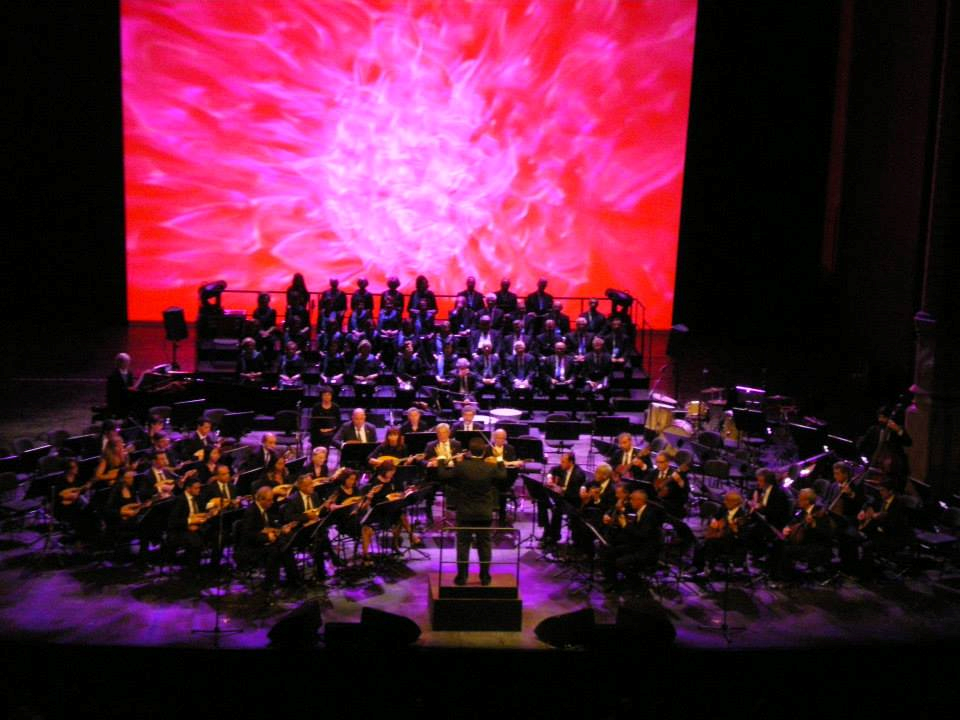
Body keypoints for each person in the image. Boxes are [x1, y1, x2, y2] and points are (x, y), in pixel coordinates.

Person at [439, 437, 507, 585]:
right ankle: (485, 577)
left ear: (469, 451)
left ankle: (462, 578)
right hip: (484, 512)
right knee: (484, 544)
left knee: (463, 544)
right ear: (484, 451)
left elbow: (443, 475)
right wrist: (499, 458)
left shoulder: (462, 466)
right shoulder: (490, 467)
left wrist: (442, 457)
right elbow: (503, 475)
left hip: (465, 512)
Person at [237, 486, 301, 590]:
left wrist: (282, 528)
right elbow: (249, 534)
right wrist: (266, 537)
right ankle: (270, 584)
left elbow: (271, 525)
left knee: (286, 547)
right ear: (261, 499)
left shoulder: (266, 509)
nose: (272, 502)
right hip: (252, 547)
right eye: (269, 500)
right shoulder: (251, 511)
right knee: (275, 551)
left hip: (263, 543)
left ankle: (293, 580)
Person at [600, 489, 663, 589]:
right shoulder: (638, 510)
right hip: (637, 545)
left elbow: (642, 534)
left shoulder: (650, 515)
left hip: (647, 550)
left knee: (621, 562)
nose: (630, 502)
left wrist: (625, 525)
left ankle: (637, 583)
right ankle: (612, 581)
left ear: (639, 501)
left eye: (632, 500)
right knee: (609, 552)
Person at [282, 475, 337, 581]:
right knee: (320, 540)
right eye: (310, 484)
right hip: (301, 531)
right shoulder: (293, 499)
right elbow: (288, 517)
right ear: (302, 487)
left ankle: (322, 572)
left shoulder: (315, 495)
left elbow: (320, 513)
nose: (313, 486)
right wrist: (306, 516)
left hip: (315, 529)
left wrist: (327, 508)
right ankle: (330, 560)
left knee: (320, 538)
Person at [858, 404, 912, 488]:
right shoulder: (874, 429)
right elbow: (861, 445)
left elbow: (909, 442)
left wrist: (898, 430)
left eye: (883, 417)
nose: (880, 420)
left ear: (888, 418)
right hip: (875, 464)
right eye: (879, 417)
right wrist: (867, 458)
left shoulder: (896, 430)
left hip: (891, 471)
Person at [692, 491, 748, 572]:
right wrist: (714, 522)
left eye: (727, 500)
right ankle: (698, 567)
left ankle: (708, 569)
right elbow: (716, 517)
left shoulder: (742, 515)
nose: (724, 502)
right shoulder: (724, 507)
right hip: (720, 535)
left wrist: (735, 530)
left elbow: (743, 537)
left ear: (736, 503)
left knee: (709, 543)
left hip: (732, 542)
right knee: (699, 543)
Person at [327, 469, 374, 565]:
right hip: (344, 520)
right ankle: (366, 555)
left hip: (356, 517)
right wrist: (344, 505)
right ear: (344, 479)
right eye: (350, 479)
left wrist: (368, 500)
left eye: (354, 479)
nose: (352, 482)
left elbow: (361, 505)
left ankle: (365, 554)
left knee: (368, 528)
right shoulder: (337, 490)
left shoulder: (355, 489)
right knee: (365, 529)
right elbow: (330, 507)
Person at [422, 423, 463, 526]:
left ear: (449, 433)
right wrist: (430, 463)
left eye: (444, 433)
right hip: (435, 476)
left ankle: (459, 516)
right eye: (439, 433)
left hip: (452, 475)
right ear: (436, 434)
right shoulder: (431, 445)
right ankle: (429, 517)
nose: (442, 435)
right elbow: (423, 461)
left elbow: (461, 460)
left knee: (462, 487)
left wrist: (459, 461)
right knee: (429, 490)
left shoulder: (456, 444)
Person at [542, 451, 586, 544]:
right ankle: (547, 530)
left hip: (572, 502)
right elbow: (552, 469)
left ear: (571, 462)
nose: (561, 464)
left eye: (563, 462)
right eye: (561, 461)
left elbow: (574, 494)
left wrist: (561, 490)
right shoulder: (563, 467)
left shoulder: (578, 475)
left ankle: (553, 536)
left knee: (557, 509)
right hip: (562, 496)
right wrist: (550, 478)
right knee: (542, 500)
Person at [166, 475, 208, 572]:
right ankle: (192, 570)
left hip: (197, 526)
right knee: (195, 542)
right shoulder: (179, 500)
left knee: (215, 533)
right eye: (196, 488)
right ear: (188, 488)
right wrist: (190, 522)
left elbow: (202, 511)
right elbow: (173, 522)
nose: (199, 490)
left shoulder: (198, 497)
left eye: (199, 488)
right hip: (181, 530)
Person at [106, 352, 140, 418]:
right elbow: (113, 391)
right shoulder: (113, 375)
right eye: (126, 362)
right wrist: (127, 389)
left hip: (127, 397)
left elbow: (130, 385)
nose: (128, 363)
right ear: (119, 363)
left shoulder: (129, 373)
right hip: (118, 399)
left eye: (128, 361)